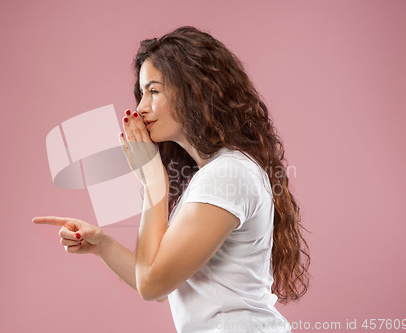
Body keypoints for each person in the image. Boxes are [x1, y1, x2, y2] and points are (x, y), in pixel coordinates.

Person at [33, 26, 310, 333]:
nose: (140, 108)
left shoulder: (226, 174)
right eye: (141, 93)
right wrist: (104, 246)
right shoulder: (213, 174)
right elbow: (160, 284)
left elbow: (152, 284)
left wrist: (154, 182)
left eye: (153, 91)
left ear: (194, 90)